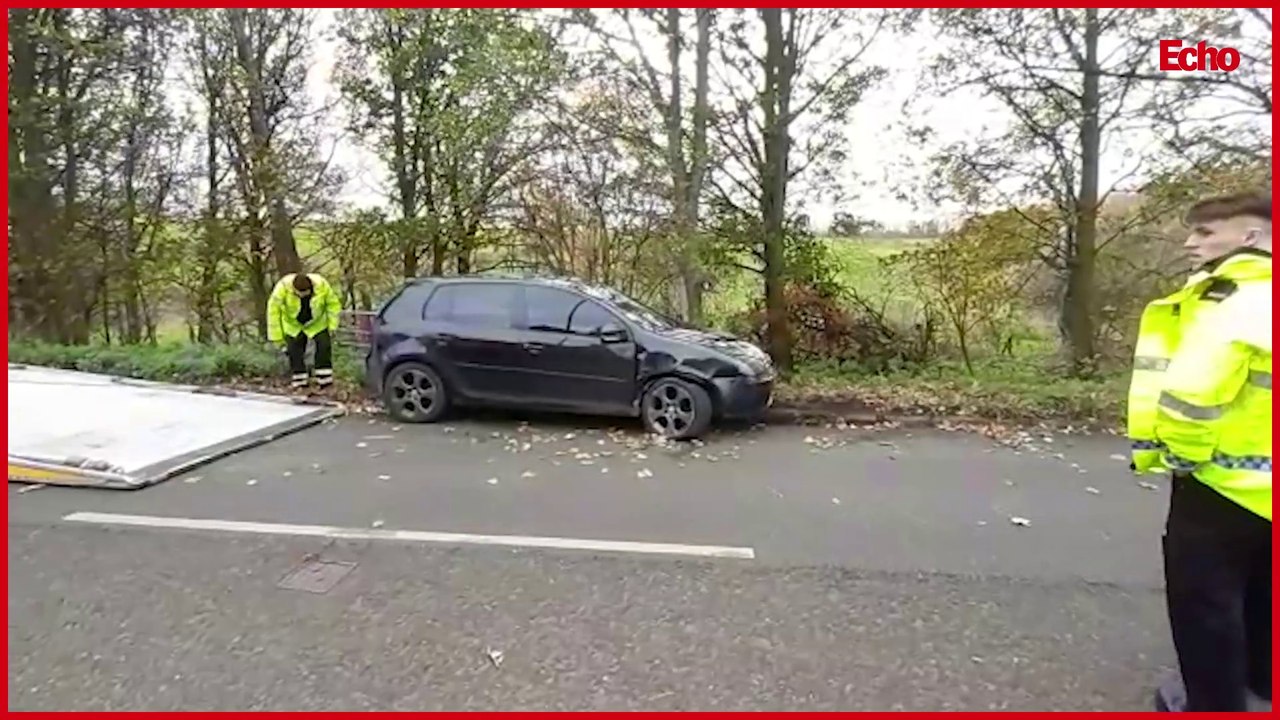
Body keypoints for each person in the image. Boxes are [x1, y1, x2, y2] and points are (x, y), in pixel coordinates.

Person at [1125, 192, 1272, 712]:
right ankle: (1261, 682)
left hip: (1221, 481)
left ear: (1250, 237)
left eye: (1207, 233)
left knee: (1205, 604)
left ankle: (1214, 702)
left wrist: (1182, 459)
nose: (1191, 243)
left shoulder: (1232, 299)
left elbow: (1193, 393)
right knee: (1263, 592)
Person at [266, 271, 343, 390]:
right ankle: (299, 380)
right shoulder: (283, 288)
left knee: (324, 346)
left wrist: (333, 326)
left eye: (305, 293)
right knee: (294, 351)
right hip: (293, 324)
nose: (302, 296)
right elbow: (273, 312)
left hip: (317, 322)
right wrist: (277, 337)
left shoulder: (321, 285)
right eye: (299, 294)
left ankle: (325, 380)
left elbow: (333, 305)